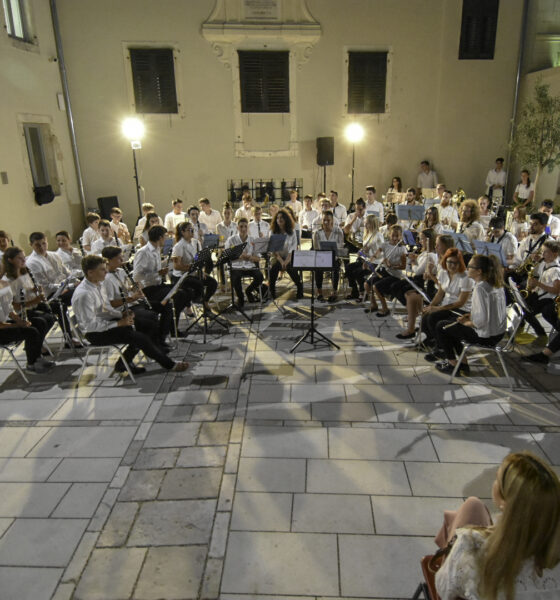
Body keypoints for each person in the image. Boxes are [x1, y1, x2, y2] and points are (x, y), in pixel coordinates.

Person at [435, 451, 560, 600]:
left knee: (471, 506)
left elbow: (443, 589)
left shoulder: (471, 546)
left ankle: (448, 532)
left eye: (497, 479)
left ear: (506, 503)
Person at [73, 255, 189, 374]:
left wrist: (121, 314)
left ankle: (124, 362)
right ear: (90, 272)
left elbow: (106, 308)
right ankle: (170, 364)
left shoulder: (98, 284)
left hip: (106, 322)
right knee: (139, 337)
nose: (106, 272)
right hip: (96, 333)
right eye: (102, 269)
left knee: (149, 325)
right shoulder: (84, 295)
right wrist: (119, 323)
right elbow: (91, 326)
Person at [432, 253, 507, 374]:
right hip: (498, 333)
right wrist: (469, 316)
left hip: (487, 336)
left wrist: (467, 323)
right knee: (452, 325)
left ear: (479, 271)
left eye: (470, 266)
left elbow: (481, 321)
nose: (467, 269)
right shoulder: (495, 284)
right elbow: (489, 312)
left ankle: (453, 364)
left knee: (442, 327)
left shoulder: (480, 288)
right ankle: (462, 363)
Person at [101, 246, 169, 351]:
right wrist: (131, 298)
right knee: (151, 316)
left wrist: (134, 287)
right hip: (123, 309)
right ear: (108, 260)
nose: (122, 260)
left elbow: (128, 288)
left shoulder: (121, 271)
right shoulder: (105, 279)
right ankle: (154, 346)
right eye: (119, 258)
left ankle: (161, 338)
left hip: (133, 303)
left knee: (166, 306)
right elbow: (111, 303)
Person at [132, 225, 191, 337]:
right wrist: (158, 273)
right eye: (165, 236)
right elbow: (137, 276)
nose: (166, 239)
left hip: (157, 285)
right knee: (177, 296)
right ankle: (166, 331)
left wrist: (168, 262)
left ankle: (172, 327)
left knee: (185, 293)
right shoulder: (143, 252)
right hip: (148, 289)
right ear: (159, 238)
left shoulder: (157, 249)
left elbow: (155, 268)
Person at [397, 233, 455, 339]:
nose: (435, 247)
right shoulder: (440, 258)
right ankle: (415, 327)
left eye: (438, 245)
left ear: (446, 246)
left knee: (412, 297)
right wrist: (429, 274)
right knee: (409, 294)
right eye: (435, 244)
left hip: (442, 296)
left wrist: (431, 275)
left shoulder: (449, 263)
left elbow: (444, 287)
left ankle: (416, 330)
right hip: (433, 289)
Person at [2, 246, 57, 350]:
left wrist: (35, 290)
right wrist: (35, 300)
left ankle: (36, 345)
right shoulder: (7, 281)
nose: (24, 260)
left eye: (24, 257)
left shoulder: (25, 272)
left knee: (52, 315)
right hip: (20, 313)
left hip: (32, 306)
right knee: (41, 322)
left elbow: (26, 291)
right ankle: (34, 348)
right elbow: (13, 306)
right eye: (20, 258)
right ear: (10, 260)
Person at [421, 248, 473, 355]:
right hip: (446, 306)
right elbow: (440, 293)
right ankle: (437, 343)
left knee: (433, 318)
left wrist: (437, 308)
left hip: (461, 310)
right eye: (450, 262)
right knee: (426, 316)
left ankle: (442, 349)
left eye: (456, 263)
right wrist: (430, 306)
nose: (452, 265)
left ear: (460, 263)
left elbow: (461, 302)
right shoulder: (443, 273)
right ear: (445, 261)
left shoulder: (465, 277)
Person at [0, 278, 54, 373]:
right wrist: (17, 325)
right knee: (31, 332)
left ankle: (37, 357)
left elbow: (9, 310)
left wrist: (21, 321)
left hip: (5, 324)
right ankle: (31, 364)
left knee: (39, 322)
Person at [393, 229, 438, 338]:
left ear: (429, 240)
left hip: (424, 284)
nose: (420, 241)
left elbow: (417, 271)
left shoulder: (431, 255)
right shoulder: (425, 253)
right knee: (396, 287)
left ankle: (412, 322)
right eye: (420, 239)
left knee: (409, 295)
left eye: (422, 239)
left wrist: (413, 262)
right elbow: (413, 267)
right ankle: (413, 313)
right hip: (419, 280)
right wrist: (412, 259)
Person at [518, 240, 560, 344]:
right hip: (540, 295)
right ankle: (522, 330)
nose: (543, 254)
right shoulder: (544, 265)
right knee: (522, 307)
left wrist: (538, 284)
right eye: (542, 251)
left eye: (545, 252)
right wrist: (532, 286)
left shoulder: (555, 270)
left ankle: (541, 335)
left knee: (527, 312)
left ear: (555, 254)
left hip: (548, 300)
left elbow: (556, 290)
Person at [171, 222, 217, 313]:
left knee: (213, 283)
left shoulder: (196, 242)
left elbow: (198, 259)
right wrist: (191, 268)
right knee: (199, 285)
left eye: (192, 229)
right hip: (182, 276)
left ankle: (205, 301)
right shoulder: (178, 246)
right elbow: (177, 266)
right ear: (182, 232)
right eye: (189, 230)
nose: (192, 231)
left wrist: (201, 271)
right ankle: (191, 302)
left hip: (194, 272)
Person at [365, 224, 406, 316]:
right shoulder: (385, 245)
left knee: (376, 287)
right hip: (385, 272)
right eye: (393, 235)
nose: (395, 238)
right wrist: (370, 260)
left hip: (395, 275)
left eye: (397, 236)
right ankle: (374, 305)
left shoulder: (402, 249)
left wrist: (391, 266)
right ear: (389, 234)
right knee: (367, 284)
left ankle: (385, 308)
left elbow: (403, 266)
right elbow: (376, 254)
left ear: (401, 236)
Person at [225, 218, 264, 306]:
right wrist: (239, 256)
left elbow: (258, 258)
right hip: (236, 266)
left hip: (249, 266)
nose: (243, 229)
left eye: (245, 227)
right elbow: (226, 256)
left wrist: (250, 257)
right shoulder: (231, 240)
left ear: (248, 228)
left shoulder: (253, 239)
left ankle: (248, 291)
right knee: (235, 277)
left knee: (260, 276)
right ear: (237, 228)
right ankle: (240, 297)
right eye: (241, 226)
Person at [345, 214, 383, 300]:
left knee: (358, 272)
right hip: (366, 260)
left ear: (372, 224)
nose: (364, 225)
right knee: (348, 268)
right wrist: (361, 251)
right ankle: (354, 290)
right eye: (365, 223)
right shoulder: (367, 234)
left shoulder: (378, 235)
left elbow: (381, 250)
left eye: (367, 223)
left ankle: (363, 293)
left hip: (375, 263)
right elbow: (366, 248)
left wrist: (370, 259)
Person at [268, 209, 303, 300]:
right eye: (278, 218)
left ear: (286, 219)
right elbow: (274, 251)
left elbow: (293, 249)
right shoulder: (273, 232)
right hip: (277, 257)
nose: (279, 219)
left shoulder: (292, 232)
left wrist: (286, 262)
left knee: (291, 268)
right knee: (274, 268)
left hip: (289, 256)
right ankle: (272, 291)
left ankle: (299, 287)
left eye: (282, 218)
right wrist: (281, 261)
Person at [312, 211, 344, 303]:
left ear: (332, 221)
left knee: (335, 267)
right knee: (318, 268)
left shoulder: (338, 231)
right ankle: (319, 292)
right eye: (324, 220)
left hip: (334, 258)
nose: (326, 222)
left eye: (328, 220)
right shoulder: (317, 233)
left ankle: (334, 292)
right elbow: (316, 248)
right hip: (322, 258)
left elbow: (340, 247)